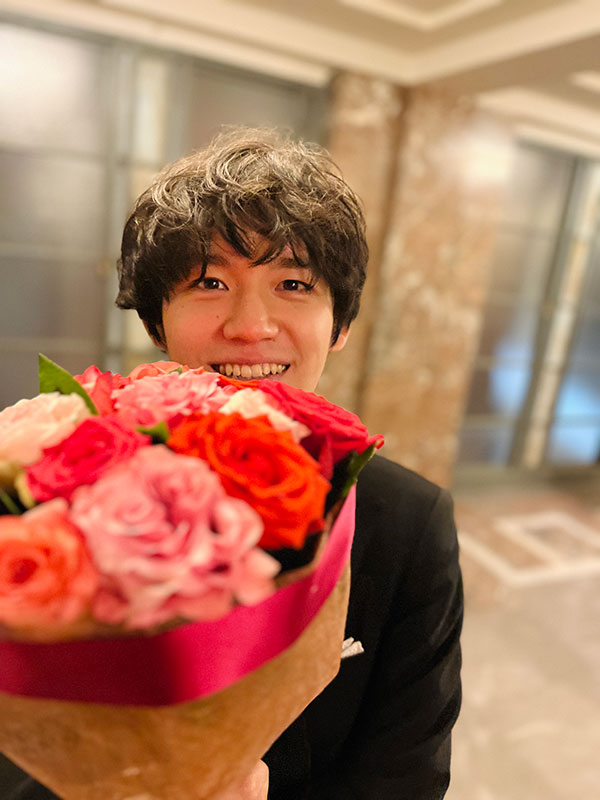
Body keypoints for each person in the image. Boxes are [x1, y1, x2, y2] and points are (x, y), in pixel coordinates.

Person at [6, 128, 462, 799]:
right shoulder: (60, 490)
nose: (251, 326)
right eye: (210, 282)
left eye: (294, 284)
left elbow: (406, 774)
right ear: (157, 322)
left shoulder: (410, 523)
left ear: (339, 326)